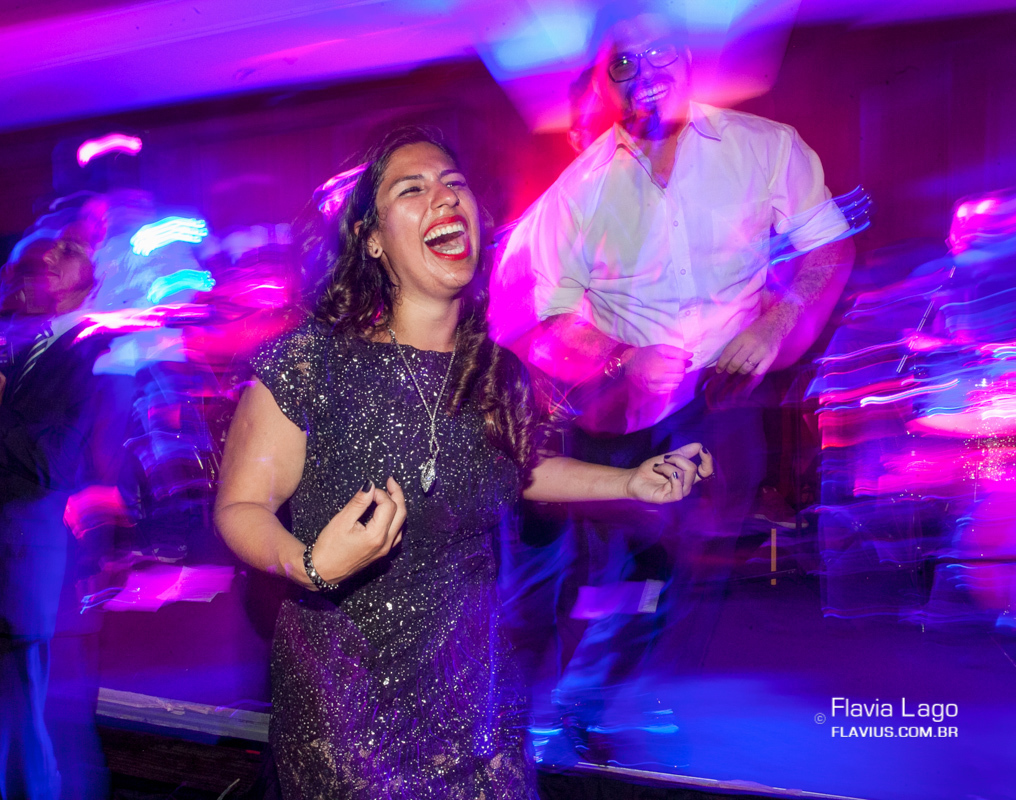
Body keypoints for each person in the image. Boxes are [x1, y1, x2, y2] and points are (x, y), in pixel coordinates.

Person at [214, 126, 713, 799]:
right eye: (412, 189)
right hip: (348, 719)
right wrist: (310, 564)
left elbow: (519, 467)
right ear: (372, 238)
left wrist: (628, 480)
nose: (444, 198)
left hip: (481, 709)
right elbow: (241, 506)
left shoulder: (497, 372)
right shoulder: (313, 362)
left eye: (454, 184)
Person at [490, 9, 856, 765]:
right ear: (604, 82)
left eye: (661, 53)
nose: (646, 72)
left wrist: (778, 317)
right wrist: (622, 355)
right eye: (624, 63)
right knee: (617, 564)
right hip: (613, 410)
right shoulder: (580, 190)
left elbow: (828, 253)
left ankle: (605, 699)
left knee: (688, 554)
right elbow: (539, 318)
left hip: (719, 397)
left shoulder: (764, 150)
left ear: (688, 61)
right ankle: (564, 703)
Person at [0, 238, 131, 800]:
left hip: (41, 580)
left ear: (100, 271)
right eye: (48, 250)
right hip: (1, 574)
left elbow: (58, 460)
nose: (49, 259)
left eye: (70, 250)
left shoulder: (101, 350)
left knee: (43, 745)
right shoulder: (35, 346)